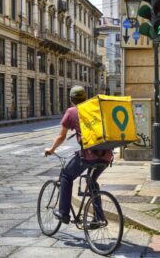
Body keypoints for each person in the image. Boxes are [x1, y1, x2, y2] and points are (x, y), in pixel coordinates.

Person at [44, 86, 113, 224]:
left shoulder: (72, 111)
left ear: (71, 99)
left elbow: (61, 136)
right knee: (92, 181)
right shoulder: (95, 108)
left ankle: (64, 213)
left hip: (88, 156)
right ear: (85, 97)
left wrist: (51, 149)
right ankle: (99, 218)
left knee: (65, 176)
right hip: (106, 154)